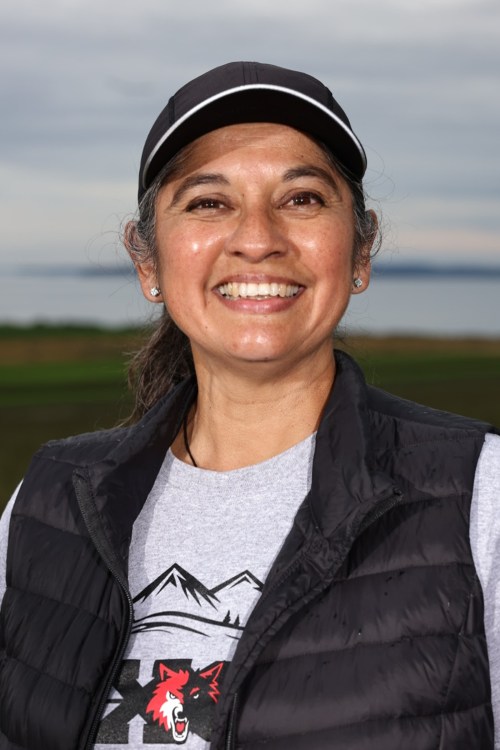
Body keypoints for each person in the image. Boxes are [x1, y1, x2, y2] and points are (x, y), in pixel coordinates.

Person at [0, 61, 499, 750]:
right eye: (209, 203)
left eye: (302, 198)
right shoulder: (49, 503)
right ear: (147, 262)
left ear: (360, 252)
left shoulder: (480, 496)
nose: (258, 238)